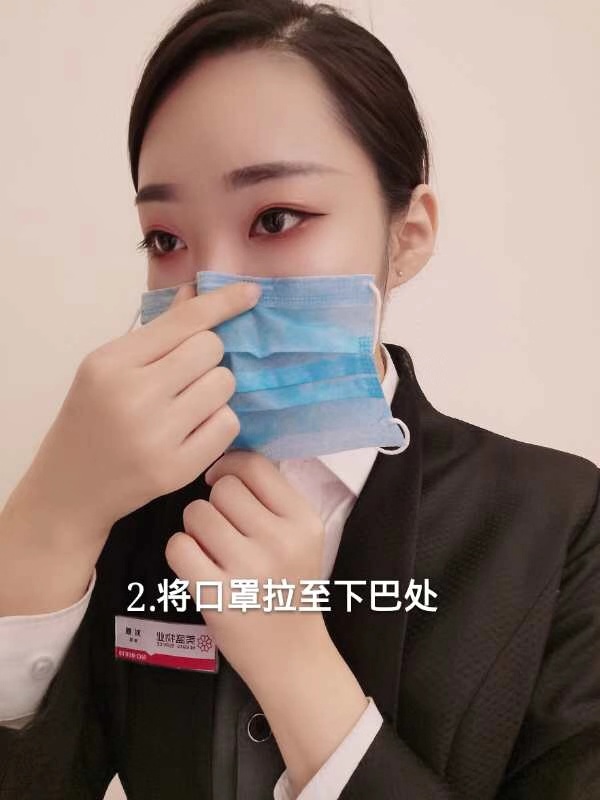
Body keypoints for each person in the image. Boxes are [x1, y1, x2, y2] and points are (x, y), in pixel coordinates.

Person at [0, 1, 598, 798]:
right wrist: (47, 521)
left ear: (407, 235)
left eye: (276, 218)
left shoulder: (558, 520)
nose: (210, 287)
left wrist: (294, 665)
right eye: (166, 239)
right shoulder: (127, 507)